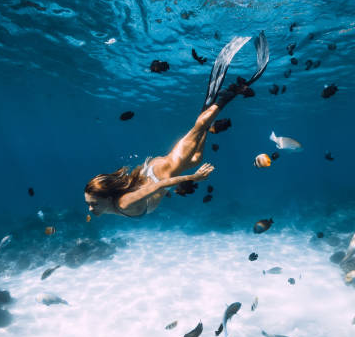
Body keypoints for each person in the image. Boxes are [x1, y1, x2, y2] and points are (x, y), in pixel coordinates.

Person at [84, 32, 269, 218]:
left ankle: (227, 96)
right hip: (154, 171)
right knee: (197, 156)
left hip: (161, 173)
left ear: (107, 198)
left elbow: (160, 185)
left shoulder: (124, 203)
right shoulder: (113, 205)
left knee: (197, 130)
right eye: (90, 204)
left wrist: (194, 178)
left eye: (93, 204)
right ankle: (211, 112)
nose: (91, 209)